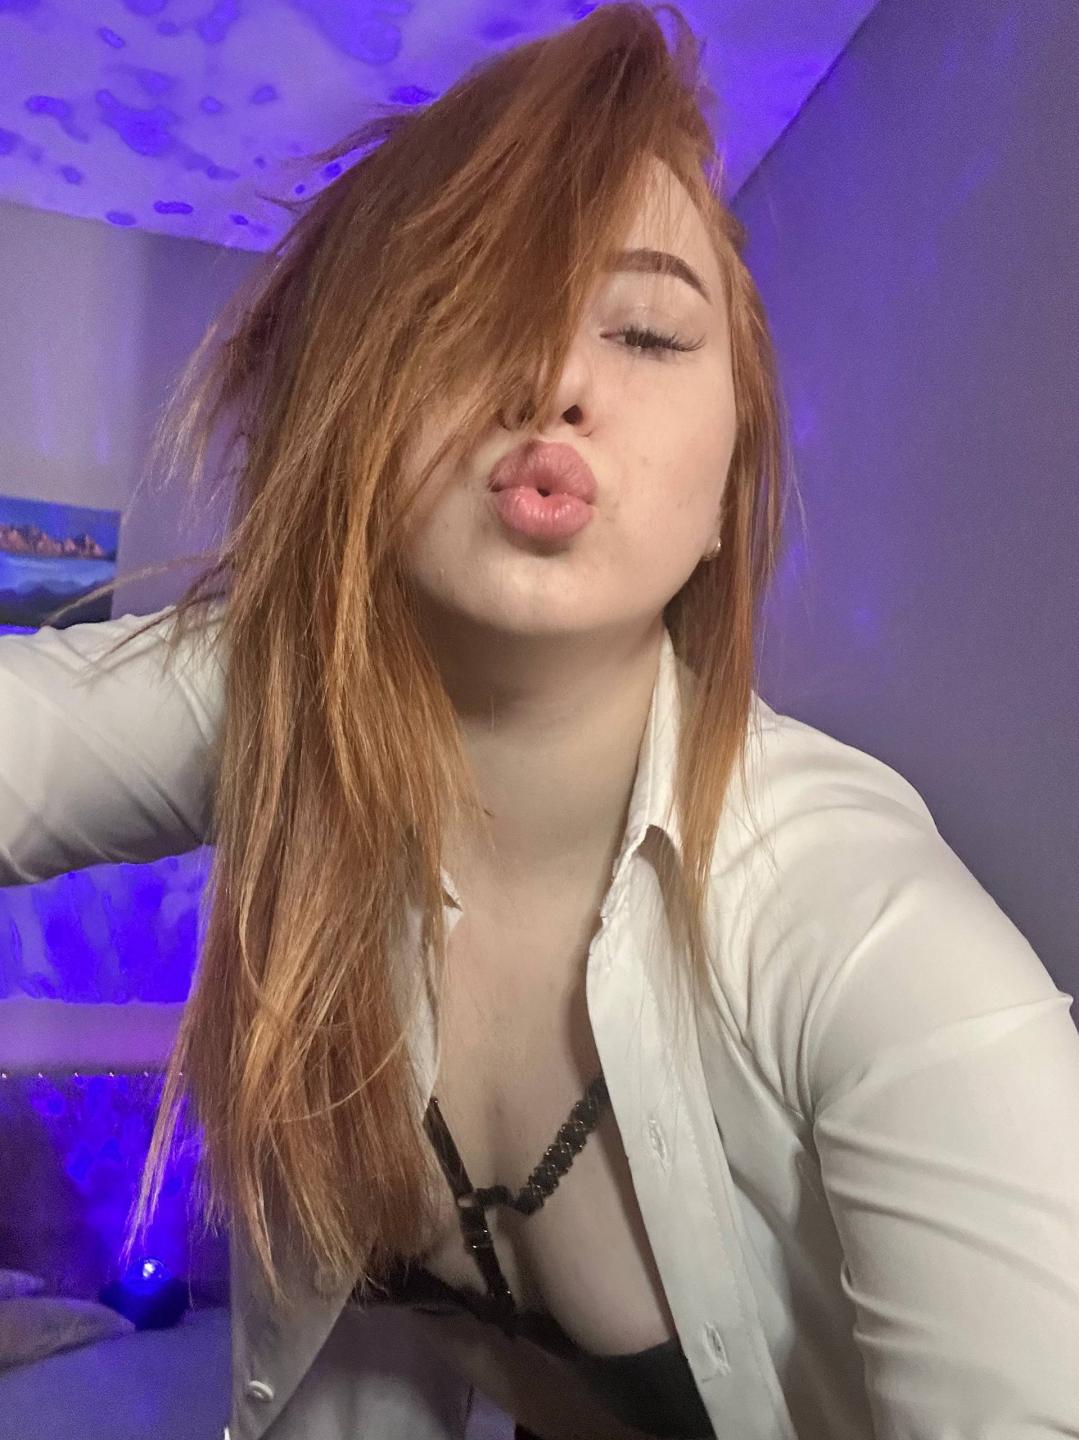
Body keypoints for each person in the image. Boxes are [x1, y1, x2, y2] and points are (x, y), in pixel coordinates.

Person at [2, 5, 1078, 1439]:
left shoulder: (874, 942)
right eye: (471, 315)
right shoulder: (278, 702)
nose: (555, 384)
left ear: (726, 491)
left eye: (645, 331)